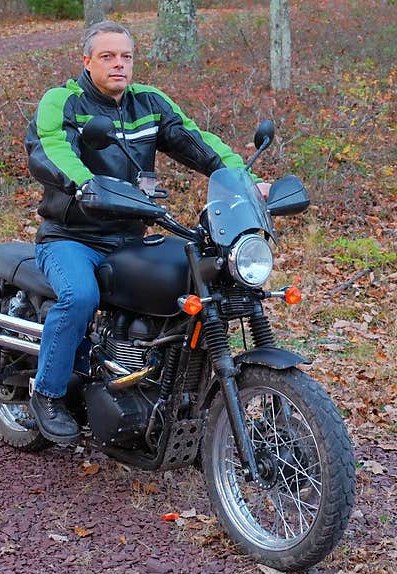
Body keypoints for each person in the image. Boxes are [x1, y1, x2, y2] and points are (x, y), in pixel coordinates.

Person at [24, 20, 268, 445]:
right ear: (87, 61)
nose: (119, 64)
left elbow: (195, 141)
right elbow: (50, 148)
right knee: (80, 296)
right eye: (107, 56)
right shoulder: (63, 101)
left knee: (199, 281)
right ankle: (47, 393)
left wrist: (244, 179)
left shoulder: (149, 104)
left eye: (126, 56)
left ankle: (173, 391)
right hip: (72, 236)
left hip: (133, 236)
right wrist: (86, 185)